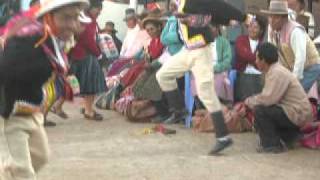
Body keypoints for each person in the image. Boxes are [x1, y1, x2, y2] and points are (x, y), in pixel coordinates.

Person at [0, 0, 89, 179]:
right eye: (66, 18)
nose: (72, 24)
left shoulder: (53, 41)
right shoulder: (26, 40)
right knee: (22, 171)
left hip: (32, 110)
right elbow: (6, 73)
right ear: (47, 17)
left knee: (40, 157)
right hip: (9, 112)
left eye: (75, 18)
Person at [156, 0, 253, 155]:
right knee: (162, 75)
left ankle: (223, 137)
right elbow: (207, 15)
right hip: (187, 51)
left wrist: (242, 17)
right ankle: (180, 110)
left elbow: (217, 5)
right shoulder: (180, 3)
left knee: (205, 92)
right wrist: (226, 20)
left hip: (201, 52)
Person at [244, 42, 313, 153]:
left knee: (260, 110)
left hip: (298, 113)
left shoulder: (276, 72)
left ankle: (271, 145)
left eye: (257, 58)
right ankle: (291, 137)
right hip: (295, 111)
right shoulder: (274, 70)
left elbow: (267, 99)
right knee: (263, 110)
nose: (255, 61)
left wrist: (249, 102)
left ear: (263, 60)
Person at [262, 0, 320, 92]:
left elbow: (300, 59)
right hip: (291, 68)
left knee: (293, 93)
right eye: (270, 16)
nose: (272, 20)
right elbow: (275, 54)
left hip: (311, 68)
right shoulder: (271, 28)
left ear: (284, 18)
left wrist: (293, 82)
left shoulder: (295, 31)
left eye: (276, 17)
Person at [70, 0, 106, 121]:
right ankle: (89, 111)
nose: (100, 12)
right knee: (90, 85)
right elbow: (87, 40)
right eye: (98, 8)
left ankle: (87, 108)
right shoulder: (87, 20)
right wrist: (98, 53)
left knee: (72, 84)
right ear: (90, 8)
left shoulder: (85, 19)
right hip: (86, 55)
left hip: (77, 55)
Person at [234, 15, 267, 102]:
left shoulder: (263, 45)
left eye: (255, 27)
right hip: (242, 73)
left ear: (261, 31)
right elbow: (242, 54)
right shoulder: (241, 40)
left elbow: (264, 62)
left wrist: (251, 58)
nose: (252, 29)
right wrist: (256, 59)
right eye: (250, 26)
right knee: (248, 81)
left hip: (258, 75)